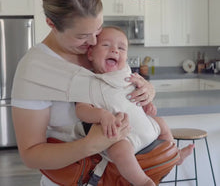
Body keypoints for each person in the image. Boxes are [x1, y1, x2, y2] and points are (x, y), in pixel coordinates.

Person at [11, 0, 156, 186]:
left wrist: (147, 90)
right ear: (51, 23)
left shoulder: (101, 52)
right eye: (82, 36)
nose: (93, 42)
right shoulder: (34, 70)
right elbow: (31, 154)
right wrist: (91, 144)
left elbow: (121, 88)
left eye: (97, 30)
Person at [70, 26, 194, 186]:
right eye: (106, 45)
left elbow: (138, 96)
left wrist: (147, 104)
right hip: (124, 137)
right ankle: (142, 182)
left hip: (146, 128)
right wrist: (102, 115)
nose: (115, 50)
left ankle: (176, 156)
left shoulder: (128, 76)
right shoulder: (88, 82)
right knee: (119, 151)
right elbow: (81, 110)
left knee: (161, 122)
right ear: (90, 54)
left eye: (121, 48)